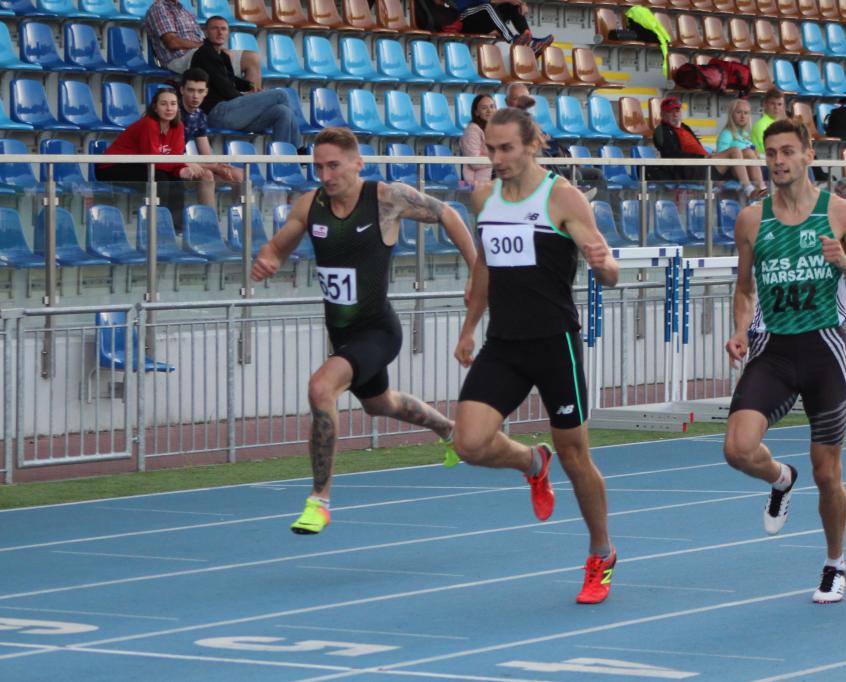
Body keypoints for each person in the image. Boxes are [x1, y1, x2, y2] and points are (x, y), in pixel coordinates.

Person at [251, 127, 477, 535]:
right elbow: (278, 246)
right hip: (342, 334)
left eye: (334, 165)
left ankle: (319, 501)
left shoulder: (387, 198)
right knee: (380, 404)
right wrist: (267, 258)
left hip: (377, 330)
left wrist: (478, 273)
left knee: (321, 387)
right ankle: (448, 429)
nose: (325, 175)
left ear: (358, 163)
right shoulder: (309, 204)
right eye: (318, 166)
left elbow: (450, 214)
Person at [451, 106, 620, 604]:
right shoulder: (484, 198)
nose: (496, 158)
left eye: (506, 148)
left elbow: (607, 271)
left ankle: (601, 553)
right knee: (469, 442)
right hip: (504, 343)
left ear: (531, 145)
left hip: (554, 344)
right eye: (491, 149)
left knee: (576, 455)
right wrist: (469, 328)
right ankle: (530, 462)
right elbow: (484, 268)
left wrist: (603, 264)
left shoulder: (562, 197)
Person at [723, 118, 846, 604]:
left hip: (823, 352)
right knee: (736, 448)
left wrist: (845, 263)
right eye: (771, 152)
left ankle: (835, 564)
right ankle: (779, 478)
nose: (778, 161)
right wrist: (738, 329)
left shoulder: (841, 215)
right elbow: (745, 287)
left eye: (788, 151)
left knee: (828, 473)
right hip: (774, 351)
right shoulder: (752, 220)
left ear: (809, 154)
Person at [95, 89, 211, 231]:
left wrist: (181, 170)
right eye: (164, 104)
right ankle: (158, 228)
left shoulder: (179, 126)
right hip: (111, 167)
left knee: (175, 179)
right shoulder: (149, 123)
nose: (169, 108)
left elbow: (174, 156)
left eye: (173, 104)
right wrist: (183, 164)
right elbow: (152, 159)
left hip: (142, 165)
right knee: (160, 177)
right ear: (155, 108)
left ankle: (177, 228)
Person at [189, 16, 302, 149]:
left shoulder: (222, 56)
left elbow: (231, 80)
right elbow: (225, 87)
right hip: (217, 113)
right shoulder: (204, 53)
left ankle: (282, 160)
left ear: (228, 33)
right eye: (215, 28)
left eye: (223, 29)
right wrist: (247, 97)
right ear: (206, 32)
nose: (220, 32)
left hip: (234, 114)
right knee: (280, 95)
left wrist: (251, 87)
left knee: (283, 112)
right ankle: (298, 149)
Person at [651, 97, 763, 196]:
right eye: (670, 112)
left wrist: (708, 156)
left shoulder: (684, 127)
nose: (675, 114)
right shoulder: (661, 131)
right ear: (662, 114)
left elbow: (697, 147)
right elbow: (672, 154)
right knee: (734, 151)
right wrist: (702, 158)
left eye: (677, 110)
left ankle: (762, 188)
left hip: (704, 165)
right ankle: (747, 188)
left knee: (748, 152)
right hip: (691, 169)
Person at [144, 0, 260, 85]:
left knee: (251, 58)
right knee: (209, 55)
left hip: (200, 52)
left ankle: (250, 104)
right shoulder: (160, 8)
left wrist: (217, 50)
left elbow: (202, 40)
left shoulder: (184, 11)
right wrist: (207, 47)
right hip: (178, 58)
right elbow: (172, 42)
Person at [178, 68, 245, 207]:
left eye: (200, 91)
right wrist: (216, 168)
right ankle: (210, 225)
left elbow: (206, 154)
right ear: (182, 90)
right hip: (172, 165)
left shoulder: (199, 115)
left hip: (186, 162)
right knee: (207, 175)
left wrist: (220, 167)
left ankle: (241, 223)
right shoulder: (173, 112)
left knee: (239, 175)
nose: (195, 96)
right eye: (191, 90)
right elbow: (174, 156)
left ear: (206, 92)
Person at [455, 0, 553, 54]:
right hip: (466, 20)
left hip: (484, 17)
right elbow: (485, 2)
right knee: (488, 6)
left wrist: (520, 4)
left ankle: (530, 41)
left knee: (512, 5)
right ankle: (511, 40)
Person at [717, 99, 767, 198]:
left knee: (752, 154)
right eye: (739, 112)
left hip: (749, 172)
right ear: (732, 114)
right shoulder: (726, 133)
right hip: (731, 172)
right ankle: (755, 188)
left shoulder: (745, 135)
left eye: (746, 113)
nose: (743, 116)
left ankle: (761, 188)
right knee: (748, 153)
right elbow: (722, 159)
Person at [460, 94, 495, 185]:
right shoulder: (472, 130)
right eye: (484, 108)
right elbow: (474, 162)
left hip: (493, 175)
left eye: (492, 107)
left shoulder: (496, 129)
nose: (489, 111)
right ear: (476, 112)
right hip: (478, 180)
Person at [751, 88, 786, 155]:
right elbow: (768, 150)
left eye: (779, 104)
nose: (776, 107)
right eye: (772, 103)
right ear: (765, 104)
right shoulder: (761, 125)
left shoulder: (781, 125)